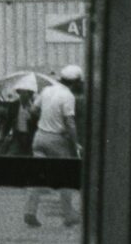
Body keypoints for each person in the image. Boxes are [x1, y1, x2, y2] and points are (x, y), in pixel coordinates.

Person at [24, 63, 86, 229]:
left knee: (37, 175)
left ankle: (30, 211)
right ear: (76, 82)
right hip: (57, 139)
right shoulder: (68, 96)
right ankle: (69, 214)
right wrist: (76, 143)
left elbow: (33, 110)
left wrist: (45, 118)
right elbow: (70, 122)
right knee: (65, 176)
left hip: (39, 137)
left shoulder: (47, 91)